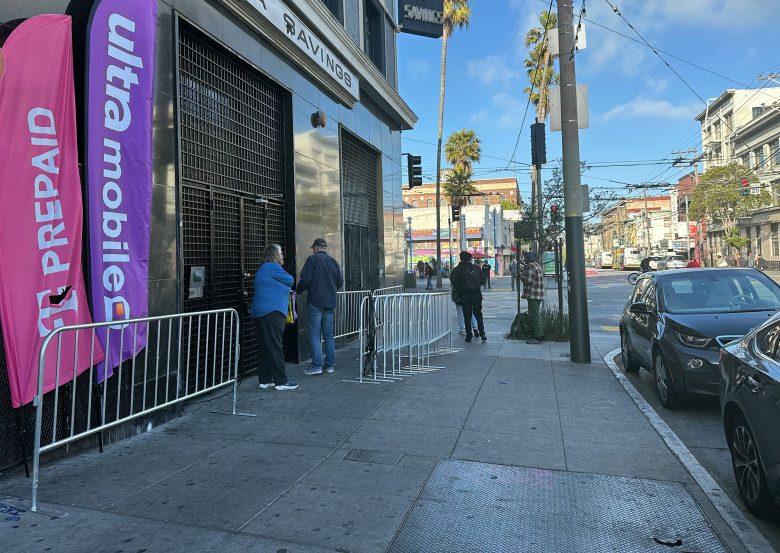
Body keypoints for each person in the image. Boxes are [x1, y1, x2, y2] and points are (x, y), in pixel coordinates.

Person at [250, 244, 298, 391]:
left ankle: (264, 380)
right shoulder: (273, 267)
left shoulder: (264, 268)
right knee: (276, 346)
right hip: (272, 312)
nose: (282, 256)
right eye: (281, 253)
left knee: (266, 347)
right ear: (275, 255)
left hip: (261, 312)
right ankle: (281, 381)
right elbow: (290, 280)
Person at [298, 238, 344, 375]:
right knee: (328, 335)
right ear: (325, 248)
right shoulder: (333, 261)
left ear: (316, 247)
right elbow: (340, 282)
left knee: (314, 334)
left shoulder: (312, 260)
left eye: (313, 248)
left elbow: (305, 280)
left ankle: (316, 366)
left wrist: (298, 290)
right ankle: (329, 366)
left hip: (316, 302)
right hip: (330, 302)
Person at [450, 251, 486, 343]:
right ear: (471, 259)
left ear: (461, 259)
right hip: (477, 295)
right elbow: (482, 281)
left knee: (467, 316)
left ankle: (469, 336)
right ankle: (482, 334)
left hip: (464, 295)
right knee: (478, 314)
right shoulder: (476, 268)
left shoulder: (457, 270)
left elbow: (454, 283)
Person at [520, 251, 545, 344]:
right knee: (536, 315)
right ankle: (540, 335)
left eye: (525, 257)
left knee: (534, 316)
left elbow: (528, 280)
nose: (524, 259)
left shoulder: (530, 266)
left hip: (533, 294)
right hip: (538, 294)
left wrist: (521, 275)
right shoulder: (537, 265)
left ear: (529, 258)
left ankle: (537, 337)